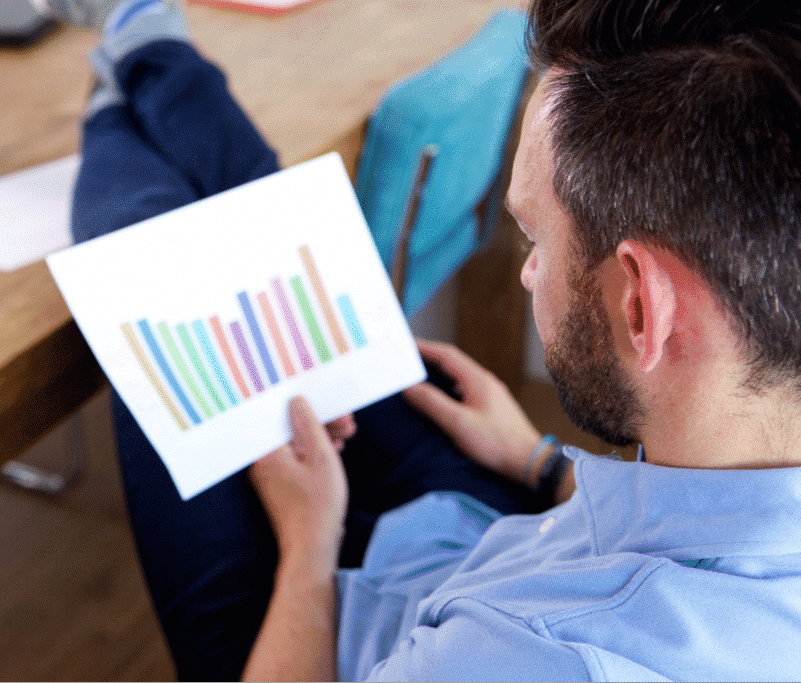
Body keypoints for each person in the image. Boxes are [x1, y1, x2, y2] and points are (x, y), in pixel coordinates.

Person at [58, 0, 801, 679]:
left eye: (533, 237)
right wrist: (543, 464)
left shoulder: (535, 658)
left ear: (640, 305)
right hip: (501, 522)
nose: (528, 271)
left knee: (147, 264)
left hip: (313, 633)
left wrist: (309, 547)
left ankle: (115, 96)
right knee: (279, 226)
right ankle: (146, 59)